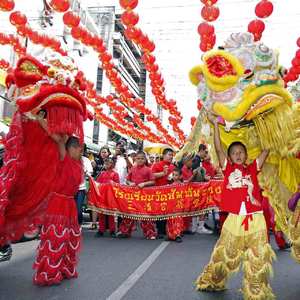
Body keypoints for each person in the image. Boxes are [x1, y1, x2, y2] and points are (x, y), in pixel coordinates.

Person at [195, 112, 274, 299]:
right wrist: (215, 125)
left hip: (255, 219)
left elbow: (266, 149)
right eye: (234, 153)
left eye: (241, 152)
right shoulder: (228, 168)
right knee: (224, 255)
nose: (238, 155)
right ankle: (213, 280)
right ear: (230, 157)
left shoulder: (253, 168)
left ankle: (256, 292)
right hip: (234, 219)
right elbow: (218, 148)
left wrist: (265, 124)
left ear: (246, 155)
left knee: (258, 257)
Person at [34, 114, 83, 285]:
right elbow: (59, 140)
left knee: (68, 238)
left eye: (80, 148)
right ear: (70, 149)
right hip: (58, 203)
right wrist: (40, 120)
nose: (79, 150)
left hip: (70, 203)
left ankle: (64, 269)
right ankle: (49, 272)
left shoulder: (79, 164)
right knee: (56, 238)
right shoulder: (64, 157)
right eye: (77, 147)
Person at [117, 151, 157, 239]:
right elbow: (127, 179)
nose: (140, 160)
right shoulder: (133, 169)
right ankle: (125, 231)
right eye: (138, 158)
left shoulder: (148, 169)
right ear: (135, 159)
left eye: (142, 158)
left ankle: (150, 233)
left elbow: (153, 181)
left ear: (145, 159)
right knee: (129, 213)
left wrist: (144, 184)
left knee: (145, 215)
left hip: (144, 195)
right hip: (133, 195)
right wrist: (130, 183)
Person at [152, 148, 179, 240]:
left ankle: (170, 230)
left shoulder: (173, 166)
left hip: (170, 193)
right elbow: (152, 176)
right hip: (159, 192)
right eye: (169, 154)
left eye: (172, 155)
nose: (171, 156)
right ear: (163, 155)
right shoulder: (157, 165)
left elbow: (176, 177)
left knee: (169, 212)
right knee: (160, 212)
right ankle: (160, 231)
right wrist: (163, 173)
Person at [95, 158, 119, 238]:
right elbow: (97, 183)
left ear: (112, 164)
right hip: (102, 196)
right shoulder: (102, 173)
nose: (107, 164)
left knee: (111, 214)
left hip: (110, 196)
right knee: (101, 213)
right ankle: (101, 230)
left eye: (109, 162)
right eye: (106, 162)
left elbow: (117, 185)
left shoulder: (115, 174)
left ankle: (112, 230)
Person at [90, 145, 111, 230]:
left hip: (106, 186)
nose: (103, 154)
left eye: (105, 152)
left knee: (105, 204)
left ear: (108, 153)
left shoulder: (111, 162)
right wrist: (93, 164)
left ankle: (105, 224)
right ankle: (94, 223)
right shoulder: (96, 161)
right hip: (96, 185)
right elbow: (92, 170)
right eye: (102, 152)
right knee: (94, 203)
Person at [75, 144, 93, 225]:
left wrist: (86, 171)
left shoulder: (86, 160)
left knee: (78, 209)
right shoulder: (71, 158)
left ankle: (78, 225)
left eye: (82, 149)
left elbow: (90, 172)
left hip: (81, 188)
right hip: (70, 188)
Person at [166, 168, 185, 243]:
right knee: (170, 220)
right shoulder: (170, 185)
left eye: (176, 175)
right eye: (173, 175)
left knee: (178, 220)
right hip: (171, 206)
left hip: (179, 206)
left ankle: (178, 235)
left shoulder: (182, 185)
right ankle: (170, 235)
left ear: (180, 176)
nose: (174, 176)